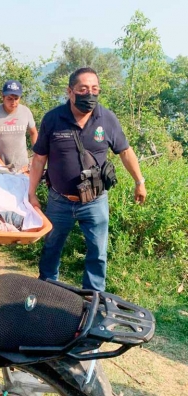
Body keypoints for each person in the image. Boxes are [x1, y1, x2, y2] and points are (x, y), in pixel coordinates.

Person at [28, 67, 146, 292]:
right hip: (59, 201)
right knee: (51, 247)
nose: (89, 94)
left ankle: (93, 297)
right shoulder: (53, 118)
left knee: (98, 252)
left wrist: (139, 181)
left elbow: (125, 151)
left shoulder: (107, 118)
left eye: (94, 89)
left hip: (95, 201)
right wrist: (31, 193)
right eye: (83, 89)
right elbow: (38, 159)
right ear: (70, 91)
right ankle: (47, 290)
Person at [0, 80, 38, 171]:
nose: (13, 102)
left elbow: (33, 132)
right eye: (9, 98)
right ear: (3, 97)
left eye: (16, 98)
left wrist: (36, 154)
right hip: (0, 166)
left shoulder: (25, 112)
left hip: (22, 167)